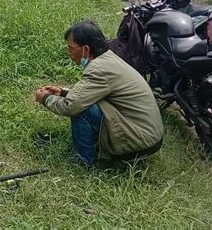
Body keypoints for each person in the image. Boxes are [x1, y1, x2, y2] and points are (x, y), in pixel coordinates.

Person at [35, 20, 164, 167]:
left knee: (82, 110)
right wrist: (63, 92)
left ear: (86, 50)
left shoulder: (98, 69)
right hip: (150, 137)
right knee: (85, 103)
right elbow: (95, 94)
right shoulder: (109, 58)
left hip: (139, 141)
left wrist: (45, 98)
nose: (68, 52)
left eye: (71, 48)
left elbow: (71, 106)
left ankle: (84, 161)